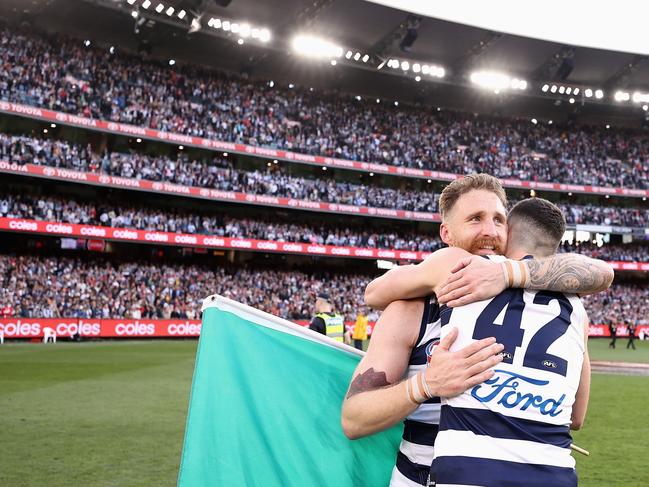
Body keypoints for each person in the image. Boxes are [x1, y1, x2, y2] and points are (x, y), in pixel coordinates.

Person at [342, 174, 613, 487]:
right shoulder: (413, 308)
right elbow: (354, 417)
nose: (490, 231)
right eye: (475, 219)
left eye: (499, 219)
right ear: (447, 232)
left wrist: (507, 272)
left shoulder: (547, 301)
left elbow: (601, 273)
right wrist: (426, 384)